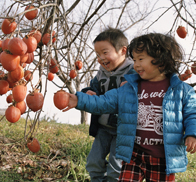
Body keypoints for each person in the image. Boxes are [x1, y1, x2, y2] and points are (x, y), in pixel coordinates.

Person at [63, 33, 196, 181]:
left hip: (163, 158)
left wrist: (192, 134)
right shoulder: (130, 87)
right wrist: (79, 100)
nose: (136, 64)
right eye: (134, 59)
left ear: (161, 61)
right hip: (134, 155)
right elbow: (104, 102)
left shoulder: (181, 90)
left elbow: (192, 114)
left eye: (140, 59)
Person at [81, 27, 136, 182]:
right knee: (93, 162)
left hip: (122, 130)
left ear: (123, 51)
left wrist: (133, 85)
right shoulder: (101, 73)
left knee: (116, 168)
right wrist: (88, 92)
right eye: (98, 54)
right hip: (103, 127)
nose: (101, 58)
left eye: (105, 52)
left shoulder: (134, 71)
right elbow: (93, 88)